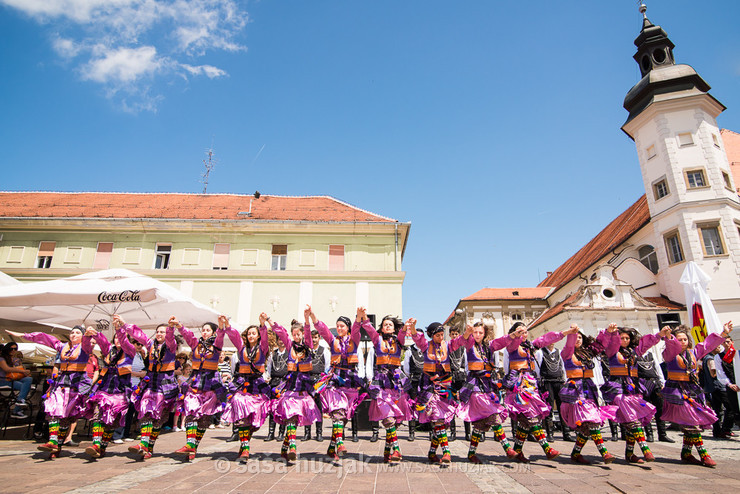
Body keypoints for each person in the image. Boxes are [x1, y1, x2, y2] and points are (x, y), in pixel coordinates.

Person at [10, 327, 95, 458]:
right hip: (61, 383)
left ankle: (57, 446)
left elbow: (88, 344)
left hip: (75, 384)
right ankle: (53, 441)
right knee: (54, 409)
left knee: (66, 417)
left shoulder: (85, 347)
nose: (73, 334)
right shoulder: (62, 346)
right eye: (72, 332)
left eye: (78, 333)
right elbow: (45, 338)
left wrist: (88, 336)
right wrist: (24, 335)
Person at [661, 322, 731, 467]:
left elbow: (707, 345)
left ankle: (686, 454)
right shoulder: (669, 354)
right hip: (678, 393)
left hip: (693, 391)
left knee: (691, 424)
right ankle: (704, 454)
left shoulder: (693, 353)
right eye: (679, 340)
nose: (682, 342)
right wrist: (669, 338)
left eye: (684, 339)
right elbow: (671, 347)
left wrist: (723, 334)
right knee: (693, 424)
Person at [601, 325, 672, 464]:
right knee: (633, 420)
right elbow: (609, 344)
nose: (625, 340)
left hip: (632, 388)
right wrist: (611, 333)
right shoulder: (612, 351)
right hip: (617, 389)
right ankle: (645, 449)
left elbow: (646, 344)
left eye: (627, 338)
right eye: (622, 338)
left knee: (632, 421)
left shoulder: (634, 352)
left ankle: (629, 453)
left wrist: (659, 335)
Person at [305, 305, 367, 460]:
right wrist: (313, 316)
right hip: (335, 381)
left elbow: (357, 330)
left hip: (351, 382)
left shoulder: (355, 340)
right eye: (337, 326)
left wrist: (359, 317)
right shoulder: (333, 341)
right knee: (338, 413)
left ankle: (331, 448)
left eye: (342, 326)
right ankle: (340, 444)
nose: (339, 328)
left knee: (344, 417)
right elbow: (323, 329)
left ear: (348, 328)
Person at [409, 321, 470, 465]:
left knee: (441, 420)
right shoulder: (425, 346)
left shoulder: (448, 345)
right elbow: (418, 338)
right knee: (437, 418)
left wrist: (467, 333)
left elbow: (459, 341)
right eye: (437, 335)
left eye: (442, 334)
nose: (440, 337)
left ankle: (431, 453)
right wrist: (412, 328)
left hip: (445, 385)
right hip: (429, 386)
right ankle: (447, 452)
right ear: (431, 335)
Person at [501, 322, 562, 463]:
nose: (523, 334)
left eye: (525, 331)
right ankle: (547, 448)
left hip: (530, 383)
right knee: (530, 416)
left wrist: (563, 334)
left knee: (527, 420)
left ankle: (517, 451)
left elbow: (545, 340)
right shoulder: (510, 347)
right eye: (519, 331)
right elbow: (506, 366)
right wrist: (510, 380)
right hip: (518, 385)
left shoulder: (530, 347)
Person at [558, 324, 618, 464]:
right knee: (591, 421)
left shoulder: (588, 353)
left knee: (586, 428)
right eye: (575, 338)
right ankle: (605, 453)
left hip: (589, 388)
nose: (577, 340)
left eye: (580, 337)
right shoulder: (567, 353)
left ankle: (575, 453)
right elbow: (569, 345)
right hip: (575, 391)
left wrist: (608, 333)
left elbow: (600, 345)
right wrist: (572, 333)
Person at [458, 322, 518, 463]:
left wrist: (514, 335)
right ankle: (507, 448)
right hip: (475, 388)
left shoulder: (489, 346)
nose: (477, 335)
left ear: (484, 333)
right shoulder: (470, 346)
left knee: (480, 426)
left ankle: (471, 453)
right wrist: (467, 333)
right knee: (494, 414)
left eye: (480, 332)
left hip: (488, 387)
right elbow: (464, 340)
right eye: (475, 332)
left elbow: (502, 341)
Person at [173, 315, 229, 460]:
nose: (204, 332)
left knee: (204, 420)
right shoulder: (196, 345)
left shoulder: (216, 346)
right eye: (203, 330)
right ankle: (190, 444)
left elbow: (221, 338)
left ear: (213, 333)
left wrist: (221, 326)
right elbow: (188, 335)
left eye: (207, 330)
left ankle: (193, 448)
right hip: (196, 382)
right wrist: (178, 324)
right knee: (191, 412)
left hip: (211, 384)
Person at [84, 319, 139, 459]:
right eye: (115, 338)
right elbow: (102, 342)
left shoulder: (130, 351)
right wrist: (95, 334)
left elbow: (125, 342)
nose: (118, 340)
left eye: (120, 338)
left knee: (111, 422)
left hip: (120, 390)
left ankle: (102, 448)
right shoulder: (109, 350)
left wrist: (119, 329)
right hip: (105, 387)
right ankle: (96, 444)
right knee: (98, 414)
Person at [125, 318, 179, 459]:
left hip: (165, 386)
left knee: (158, 419)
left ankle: (149, 448)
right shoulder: (150, 345)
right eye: (158, 332)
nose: (159, 334)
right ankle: (143, 443)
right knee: (146, 410)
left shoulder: (171, 347)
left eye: (162, 332)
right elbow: (139, 335)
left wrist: (171, 329)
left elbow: (170, 339)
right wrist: (124, 325)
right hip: (151, 384)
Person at [222, 314, 273, 462]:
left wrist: (262, 325)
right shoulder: (241, 348)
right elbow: (234, 337)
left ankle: (245, 442)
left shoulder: (262, 349)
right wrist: (227, 325)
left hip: (258, 386)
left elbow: (265, 339)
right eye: (249, 333)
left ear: (257, 336)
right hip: (242, 385)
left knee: (254, 420)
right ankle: (245, 447)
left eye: (254, 333)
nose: (251, 336)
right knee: (242, 417)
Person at [364, 315, 413, 463]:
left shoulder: (399, 341)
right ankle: (397, 450)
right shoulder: (377, 340)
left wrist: (406, 326)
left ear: (394, 328)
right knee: (388, 418)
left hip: (397, 383)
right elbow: (370, 330)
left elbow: (403, 333)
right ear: (381, 327)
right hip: (381, 382)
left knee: (395, 421)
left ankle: (387, 450)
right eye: (385, 324)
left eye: (390, 324)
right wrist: (364, 318)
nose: (387, 326)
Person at [271, 318, 322, 462]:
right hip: (291, 386)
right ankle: (293, 446)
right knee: (291, 417)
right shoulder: (290, 346)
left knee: (296, 418)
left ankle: (285, 445)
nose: (296, 336)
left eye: (298, 334)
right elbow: (281, 333)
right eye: (294, 334)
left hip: (305, 387)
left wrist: (306, 319)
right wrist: (270, 321)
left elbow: (307, 330)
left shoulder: (308, 345)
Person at [535, 339, 572, 442]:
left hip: (559, 381)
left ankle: (566, 433)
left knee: (562, 407)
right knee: (549, 407)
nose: (551, 342)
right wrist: (539, 380)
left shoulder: (559, 352)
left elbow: (562, 366)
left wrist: (564, 378)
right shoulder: (540, 352)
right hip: (547, 382)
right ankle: (550, 433)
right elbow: (537, 368)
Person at [636, 346, 673, 442]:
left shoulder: (651, 354)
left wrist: (662, 382)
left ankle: (662, 434)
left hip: (654, 382)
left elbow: (658, 368)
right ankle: (649, 434)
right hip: (642, 384)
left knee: (660, 409)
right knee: (646, 409)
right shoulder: (634, 355)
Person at [305, 328, 329, 442]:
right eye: (312, 338)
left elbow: (328, 366)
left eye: (315, 337)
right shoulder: (306, 350)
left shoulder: (324, 350)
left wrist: (324, 381)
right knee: (308, 407)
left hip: (319, 381)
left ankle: (319, 433)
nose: (313, 340)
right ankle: (307, 432)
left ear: (319, 338)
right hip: (308, 381)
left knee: (319, 408)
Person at [714, 337, 740, 438]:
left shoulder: (737, 354)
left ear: (732, 342)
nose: (726, 344)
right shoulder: (719, 357)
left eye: (728, 342)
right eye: (724, 342)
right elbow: (720, 372)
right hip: (731, 386)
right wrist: (729, 384)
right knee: (734, 409)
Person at [265, 333, 288, 442]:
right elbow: (268, 368)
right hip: (274, 383)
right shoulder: (272, 354)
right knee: (272, 408)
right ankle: (271, 432)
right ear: (277, 341)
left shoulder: (290, 354)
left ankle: (281, 432)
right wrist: (268, 378)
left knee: (283, 409)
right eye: (280, 339)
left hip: (284, 384)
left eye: (283, 339)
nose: (281, 341)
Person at [0, 341, 32, 419]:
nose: (13, 350)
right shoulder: (1, 358)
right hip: (4, 381)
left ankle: (19, 402)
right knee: (24, 386)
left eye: (15, 349)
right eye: (12, 349)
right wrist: (22, 371)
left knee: (28, 379)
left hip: (11, 379)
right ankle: (17, 409)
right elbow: (6, 369)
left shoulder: (13, 359)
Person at [448, 326, 469, 442]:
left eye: (456, 334)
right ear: (450, 335)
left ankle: (467, 433)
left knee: (465, 405)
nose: (455, 336)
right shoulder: (448, 348)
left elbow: (467, 365)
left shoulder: (464, 348)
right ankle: (453, 433)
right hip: (451, 379)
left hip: (462, 379)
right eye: (453, 334)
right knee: (451, 405)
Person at [401, 341, 424, 441]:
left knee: (427, 405)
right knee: (413, 405)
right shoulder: (410, 350)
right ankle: (412, 432)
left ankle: (432, 432)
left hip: (425, 381)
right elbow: (406, 368)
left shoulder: (427, 348)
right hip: (414, 381)